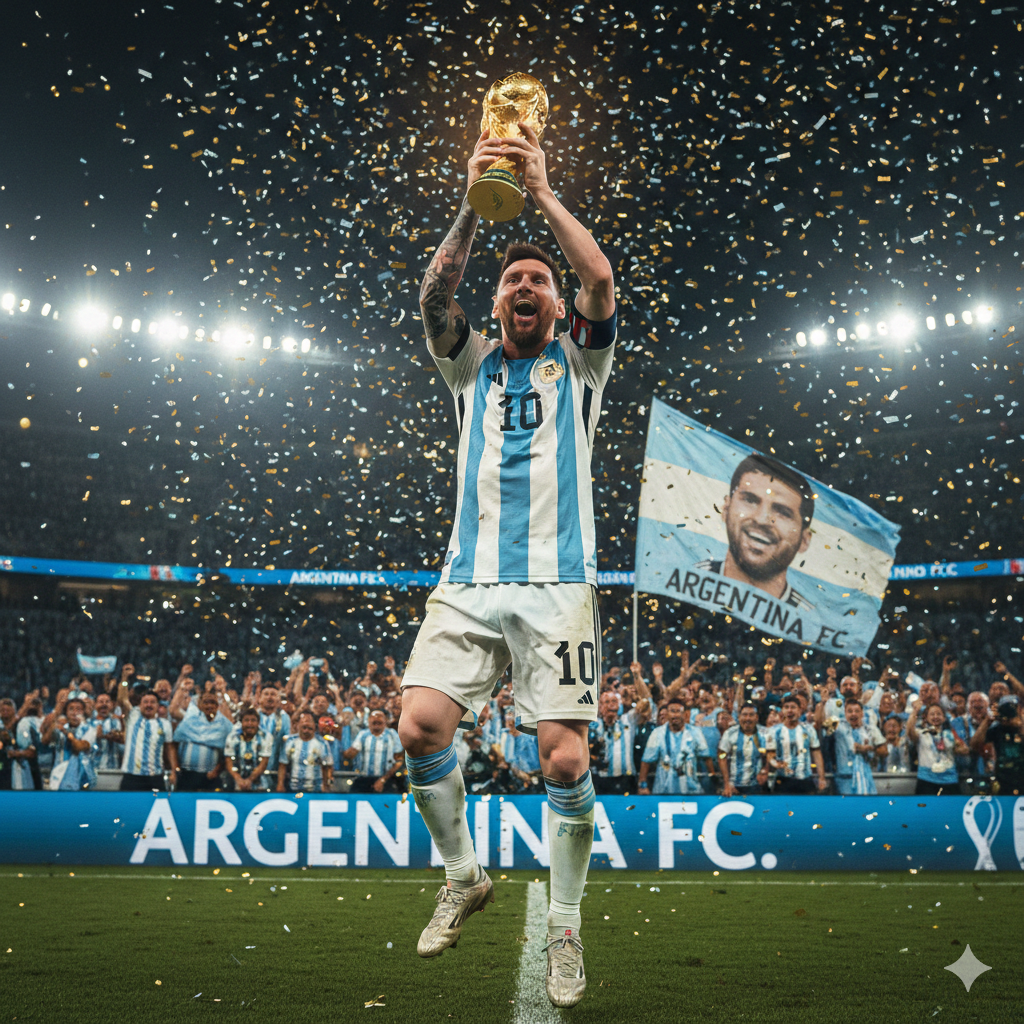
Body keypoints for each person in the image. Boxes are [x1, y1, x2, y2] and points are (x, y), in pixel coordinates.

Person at [396, 117, 616, 1007]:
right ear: (495, 306)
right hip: (467, 581)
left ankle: (564, 929)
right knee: (418, 728)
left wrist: (543, 186)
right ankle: (464, 875)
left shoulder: (582, 365)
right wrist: (478, 200)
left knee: (564, 763)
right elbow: (431, 293)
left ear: (556, 308)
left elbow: (600, 276)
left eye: (538, 282)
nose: (525, 287)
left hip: (559, 584)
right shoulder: (471, 364)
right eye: (511, 281)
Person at [697, 454, 815, 608]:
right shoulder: (676, 582)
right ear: (725, 509)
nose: (761, 519)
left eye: (782, 512)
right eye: (750, 500)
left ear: (804, 540)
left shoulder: (811, 623)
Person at [637, 699, 714, 796]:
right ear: (667, 713)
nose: (675, 715)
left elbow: (706, 758)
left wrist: (712, 780)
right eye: (672, 711)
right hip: (663, 791)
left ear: (685, 714)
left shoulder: (695, 732)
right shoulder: (657, 733)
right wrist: (642, 785)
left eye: (679, 712)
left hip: (691, 791)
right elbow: (646, 761)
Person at [117, 679, 177, 791]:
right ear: (140, 705)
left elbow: (170, 748)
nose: (148, 705)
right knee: (127, 808)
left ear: (158, 706)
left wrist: (174, 770)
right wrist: (125, 679)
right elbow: (122, 699)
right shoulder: (133, 717)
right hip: (132, 776)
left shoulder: (165, 724)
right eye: (145, 702)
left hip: (155, 777)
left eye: (152, 702)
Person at [764, 693, 827, 793]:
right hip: (783, 779)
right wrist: (776, 764)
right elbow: (770, 755)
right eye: (786, 707)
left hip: (805, 779)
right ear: (783, 711)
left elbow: (816, 753)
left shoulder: (809, 729)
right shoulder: (774, 731)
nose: (790, 710)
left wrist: (822, 777)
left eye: (793, 707)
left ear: (799, 710)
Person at [172, 689, 234, 791]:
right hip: (186, 775)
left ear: (217, 705)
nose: (209, 706)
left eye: (212, 702)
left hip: (211, 776)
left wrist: (217, 770)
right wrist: (176, 768)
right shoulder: (189, 721)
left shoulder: (225, 726)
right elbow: (174, 745)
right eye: (206, 702)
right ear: (200, 705)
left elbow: (229, 752)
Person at [905, 699, 965, 795]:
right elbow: (909, 731)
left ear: (944, 718)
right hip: (927, 780)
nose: (935, 717)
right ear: (926, 718)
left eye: (939, 714)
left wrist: (956, 749)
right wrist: (915, 711)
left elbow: (965, 750)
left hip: (949, 779)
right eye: (932, 714)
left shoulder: (950, 734)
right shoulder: (922, 734)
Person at [969, 695, 1024, 797]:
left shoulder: (1021, 727)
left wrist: (1020, 726)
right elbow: (974, 745)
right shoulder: (997, 729)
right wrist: (987, 722)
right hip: (1003, 779)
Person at [41, 695, 98, 790]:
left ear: (83, 712)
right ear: (66, 713)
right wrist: (54, 724)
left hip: (83, 779)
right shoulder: (62, 728)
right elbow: (44, 741)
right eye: (71, 709)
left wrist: (66, 733)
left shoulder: (89, 730)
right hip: (59, 778)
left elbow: (79, 747)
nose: (74, 713)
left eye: (78, 709)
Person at [832, 699, 886, 796]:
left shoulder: (870, 729)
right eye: (850, 711)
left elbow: (884, 751)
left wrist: (869, 749)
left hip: (865, 777)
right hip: (845, 777)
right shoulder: (838, 727)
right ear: (845, 713)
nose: (853, 714)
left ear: (862, 713)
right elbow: (820, 725)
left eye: (857, 711)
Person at [343, 709, 405, 793]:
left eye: (380, 719)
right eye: (374, 721)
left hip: (386, 779)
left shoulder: (392, 735)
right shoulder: (363, 734)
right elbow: (350, 754)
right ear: (369, 721)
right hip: (364, 779)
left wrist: (383, 779)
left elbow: (399, 761)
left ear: (385, 721)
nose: (377, 721)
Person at [718, 703, 768, 797]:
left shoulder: (765, 734)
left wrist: (765, 770)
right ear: (739, 717)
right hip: (734, 786)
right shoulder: (730, 733)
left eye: (751, 715)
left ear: (756, 717)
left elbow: (770, 755)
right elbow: (722, 757)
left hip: (757, 785)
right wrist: (727, 783)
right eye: (744, 715)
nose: (747, 718)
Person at [277, 711, 333, 793]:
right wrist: (280, 784)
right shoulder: (290, 741)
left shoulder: (322, 743)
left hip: (316, 789)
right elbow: (283, 764)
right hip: (293, 788)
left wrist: (326, 785)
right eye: (303, 723)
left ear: (314, 725)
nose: (306, 727)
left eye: (309, 722)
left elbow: (327, 766)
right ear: (298, 725)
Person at [224, 708, 273, 791]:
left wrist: (249, 780)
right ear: (241, 722)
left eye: (253, 720)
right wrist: (239, 779)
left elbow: (263, 763)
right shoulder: (232, 737)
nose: (250, 724)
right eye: (246, 720)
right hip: (236, 783)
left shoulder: (266, 737)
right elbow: (229, 762)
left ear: (258, 722)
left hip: (260, 784)